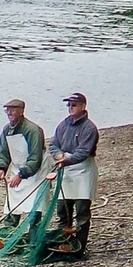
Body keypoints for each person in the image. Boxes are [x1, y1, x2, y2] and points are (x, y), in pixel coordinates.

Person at [45, 92, 99, 256]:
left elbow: (84, 151)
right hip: (66, 170)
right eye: (68, 105)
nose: (70, 108)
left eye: (73, 105)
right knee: (63, 210)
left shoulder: (89, 128)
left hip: (83, 171)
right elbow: (53, 144)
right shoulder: (63, 125)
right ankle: (64, 243)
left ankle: (79, 247)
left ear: (83, 106)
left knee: (82, 211)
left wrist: (66, 160)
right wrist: (58, 155)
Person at [0, 99, 51, 228]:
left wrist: (22, 174)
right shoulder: (6, 130)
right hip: (17, 169)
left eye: (13, 109)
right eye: (7, 110)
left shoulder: (33, 130)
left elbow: (35, 158)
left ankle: (33, 240)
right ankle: (8, 237)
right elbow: (3, 152)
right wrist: (1, 168)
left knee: (34, 209)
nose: (9, 112)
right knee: (12, 208)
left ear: (21, 111)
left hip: (36, 174)